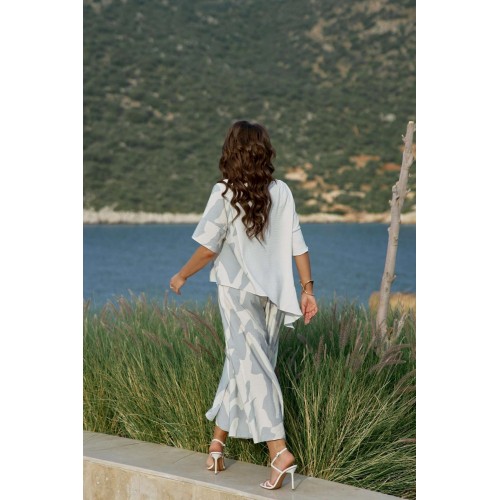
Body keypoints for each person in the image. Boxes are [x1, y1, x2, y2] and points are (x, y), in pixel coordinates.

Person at [169, 120, 318, 491]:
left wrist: (181, 275)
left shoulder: (224, 191)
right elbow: (297, 243)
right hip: (274, 295)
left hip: (236, 292)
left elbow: (208, 248)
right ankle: (217, 446)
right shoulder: (281, 191)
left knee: (252, 367)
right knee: (244, 363)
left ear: (231, 151)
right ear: (264, 151)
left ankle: (279, 451)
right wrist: (307, 289)